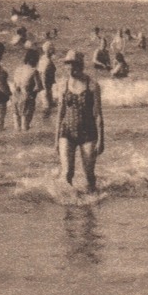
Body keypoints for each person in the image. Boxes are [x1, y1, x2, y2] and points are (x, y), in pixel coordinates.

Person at [55, 51, 105, 192]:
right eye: (67, 67)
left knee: (89, 174)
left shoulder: (93, 85)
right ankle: (69, 202)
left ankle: (92, 200)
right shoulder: (63, 85)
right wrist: (56, 139)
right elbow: (60, 113)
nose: (70, 70)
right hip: (66, 132)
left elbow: (98, 115)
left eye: (73, 67)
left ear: (79, 66)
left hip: (88, 133)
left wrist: (101, 140)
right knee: (67, 173)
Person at [8, 48, 42, 132]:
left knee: (16, 126)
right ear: (36, 60)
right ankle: (25, 143)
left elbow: (15, 85)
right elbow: (39, 87)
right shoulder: (34, 71)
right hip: (26, 98)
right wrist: (33, 95)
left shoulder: (18, 69)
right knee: (25, 127)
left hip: (15, 97)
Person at [36, 41, 59, 115]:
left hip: (44, 87)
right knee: (47, 109)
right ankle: (45, 123)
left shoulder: (42, 59)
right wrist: (46, 90)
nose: (54, 50)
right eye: (53, 49)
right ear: (50, 50)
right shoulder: (48, 62)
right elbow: (44, 76)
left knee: (47, 107)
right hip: (46, 88)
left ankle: (46, 124)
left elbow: (41, 73)